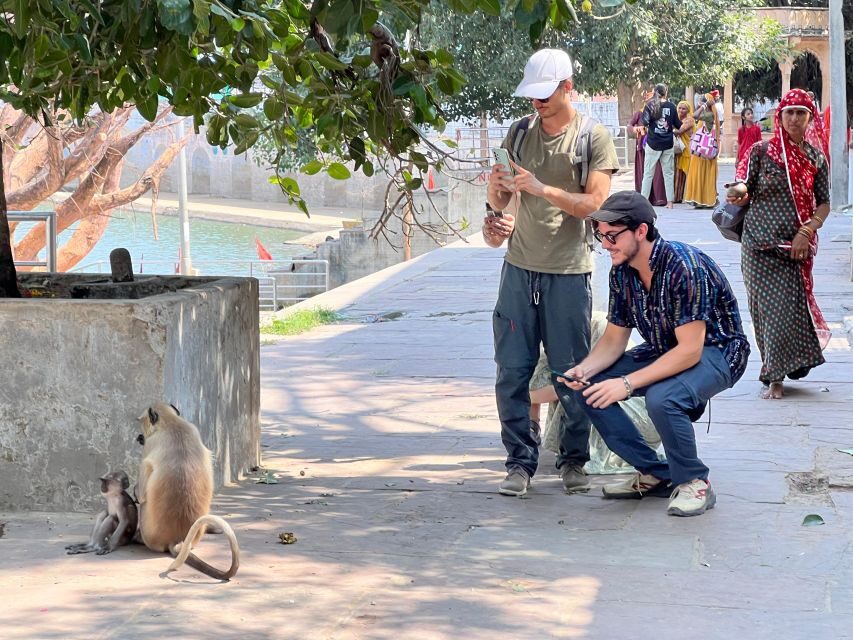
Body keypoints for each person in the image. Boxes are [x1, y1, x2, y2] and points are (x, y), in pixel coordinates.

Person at [559, 190, 750, 517]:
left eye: (612, 236)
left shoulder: (683, 266)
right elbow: (614, 340)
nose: (606, 245)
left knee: (663, 398)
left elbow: (690, 351)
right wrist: (584, 370)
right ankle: (657, 473)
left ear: (641, 231)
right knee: (586, 387)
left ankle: (694, 481)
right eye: (601, 236)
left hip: (718, 350)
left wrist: (627, 384)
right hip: (665, 347)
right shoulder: (621, 272)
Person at [483, 48, 620, 497]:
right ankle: (519, 462)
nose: (537, 102)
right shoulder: (520, 133)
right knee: (511, 370)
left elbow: (594, 204)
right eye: (533, 94)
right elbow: (502, 200)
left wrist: (543, 189)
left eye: (546, 93)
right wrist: (496, 195)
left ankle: (573, 459)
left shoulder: (592, 137)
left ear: (567, 87)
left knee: (572, 371)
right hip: (519, 269)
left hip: (568, 271)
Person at [727, 88, 830, 400]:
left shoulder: (815, 158)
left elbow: (824, 203)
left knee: (787, 313)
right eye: (789, 112)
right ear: (779, 116)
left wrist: (806, 232)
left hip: (794, 248)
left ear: (810, 118)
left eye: (801, 113)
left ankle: (788, 366)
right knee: (765, 313)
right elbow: (744, 181)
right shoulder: (762, 151)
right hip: (758, 246)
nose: (794, 118)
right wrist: (738, 191)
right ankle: (774, 376)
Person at [640, 84, 681, 209]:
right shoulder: (671, 106)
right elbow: (678, 125)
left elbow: (645, 122)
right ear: (665, 93)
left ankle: (643, 202)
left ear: (655, 92)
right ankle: (670, 202)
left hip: (653, 143)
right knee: (668, 174)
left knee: (648, 174)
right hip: (667, 144)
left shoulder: (650, 105)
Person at [684, 92, 721, 209]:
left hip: (702, 153)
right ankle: (702, 200)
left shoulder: (709, 114)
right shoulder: (708, 114)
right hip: (703, 152)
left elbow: (694, 115)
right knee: (704, 176)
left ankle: (703, 200)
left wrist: (704, 106)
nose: (699, 102)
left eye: (701, 100)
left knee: (700, 175)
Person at [629, 107, 666, 207]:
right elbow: (629, 126)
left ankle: (659, 198)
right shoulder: (639, 113)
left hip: (656, 144)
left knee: (657, 171)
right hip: (642, 146)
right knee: (644, 170)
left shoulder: (660, 113)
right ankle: (644, 198)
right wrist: (636, 129)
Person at [673, 100, 694, 203]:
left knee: (687, 173)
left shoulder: (689, 120)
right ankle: (677, 197)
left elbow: (680, 131)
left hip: (687, 149)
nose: (681, 110)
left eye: (684, 108)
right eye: (679, 108)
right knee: (678, 173)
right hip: (678, 149)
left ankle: (689, 196)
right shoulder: (676, 118)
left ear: (688, 110)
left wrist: (669, 129)